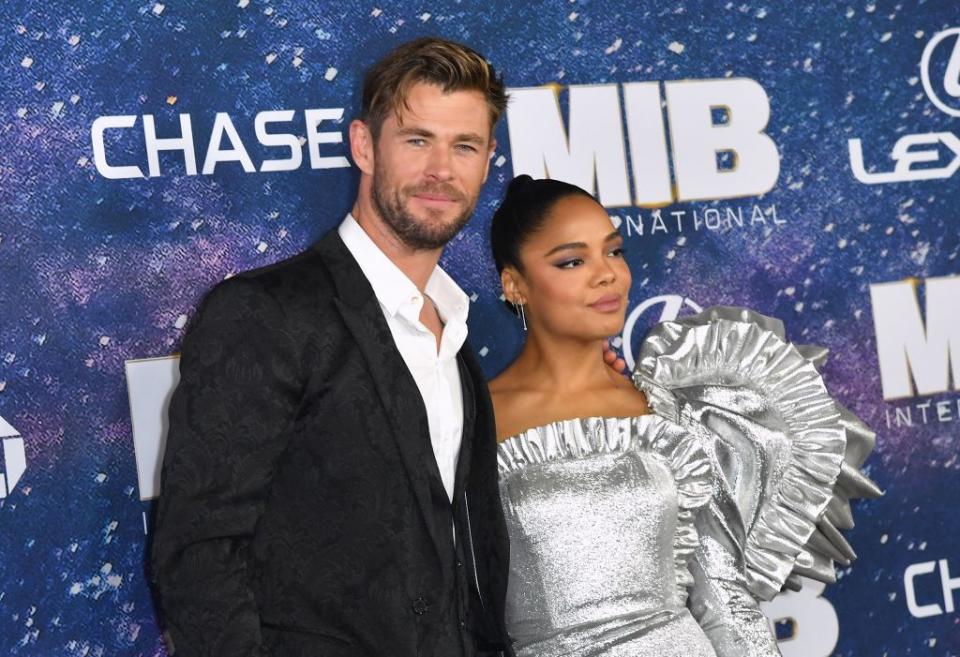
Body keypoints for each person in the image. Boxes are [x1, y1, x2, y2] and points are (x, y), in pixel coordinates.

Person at [150, 38, 514, 657]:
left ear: (487, 162)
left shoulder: (452, 327)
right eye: (417, 140)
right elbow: (199, 554)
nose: (441, 171)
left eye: (465, 146)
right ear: (364, 146)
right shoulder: (266, 312)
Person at [487, 175, 881, 657]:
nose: (607, 274)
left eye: (614, 251)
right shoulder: (470, 415)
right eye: (572, 261)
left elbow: (721, 595)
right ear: (515, 284)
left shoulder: (664, 411)